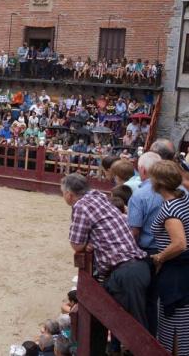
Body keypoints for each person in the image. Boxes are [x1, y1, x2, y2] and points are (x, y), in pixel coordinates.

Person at [61, 173, 150, 355]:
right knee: (138, 326)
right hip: (137, 266)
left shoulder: (81, 206)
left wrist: (86, 244)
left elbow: (76, 244)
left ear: (69, 194)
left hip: (124, 273)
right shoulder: (99, 196)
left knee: (137, 334)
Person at [149, 161, 189, 355]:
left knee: (174, 322)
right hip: (181, 269)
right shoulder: (183, 198)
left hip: (176, 273)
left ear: (159, 183)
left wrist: (159, 257)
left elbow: (180, 244)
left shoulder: (171, 208)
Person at [128, 151, 163, 336]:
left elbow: (134, 231)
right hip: (172, 251)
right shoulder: (181, 191)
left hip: (148, 251)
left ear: (142, 170)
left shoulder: (140, 195)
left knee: (145, 299)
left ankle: (145, 339)